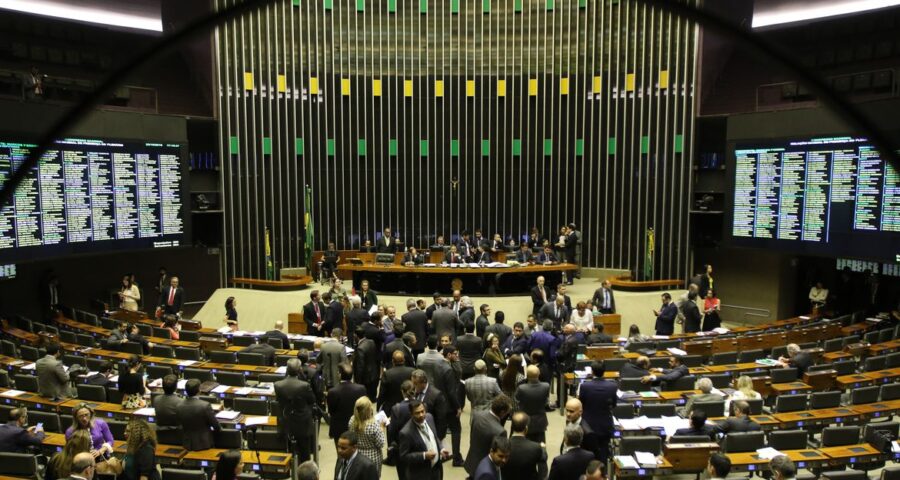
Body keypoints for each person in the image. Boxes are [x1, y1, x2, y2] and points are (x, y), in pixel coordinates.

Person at [274, 358, 317, 461]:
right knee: (304, 452)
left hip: (286, 420)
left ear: (287, 370)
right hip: (302, 422)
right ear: (299, 370)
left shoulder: (277, 385)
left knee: (289, 449)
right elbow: (312, 400)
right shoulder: (304, 385)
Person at [398, 400, 450, 480]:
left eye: (422, 411)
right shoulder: (406, 433)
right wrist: (424, 455)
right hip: (420, 474)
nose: (421, 415)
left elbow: (434, 437)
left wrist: (441, 449)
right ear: (411, 414)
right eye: (417, 413)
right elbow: (404, 456)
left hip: (436, 470)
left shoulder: (429, 418)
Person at [578, 360, 617, 464]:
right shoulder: (612, 386)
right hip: (605, 425)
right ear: (604, 371)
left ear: (592, 371)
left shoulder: (585, 386)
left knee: (587, 452)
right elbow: (613, 405)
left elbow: (581, 404)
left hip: (588, 426)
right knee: (603, 452)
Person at [465, 395, 512, 476]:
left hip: (472, 461)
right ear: (502, 412)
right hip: (486, 469)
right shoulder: (500, 431)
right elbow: (500, 453)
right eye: (507, 412)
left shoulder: (477, 415)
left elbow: (472, 437)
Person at [176, 378, 222, 450]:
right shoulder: (205, 405)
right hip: (204, 443)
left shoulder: (179, 405)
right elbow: (216, 426)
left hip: (187, 443)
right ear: (199, 390)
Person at [327, 364, 367, 445]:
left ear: (340, 374)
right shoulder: (361, 388)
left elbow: (331, 411)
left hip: (339, 427)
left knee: (341, 452)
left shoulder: (332, 392)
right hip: (357, 425)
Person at [503, 412, 547, 480]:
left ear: (512, 427)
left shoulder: (502, 446)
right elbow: (543, 471)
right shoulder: (535, 447)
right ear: (526, 428)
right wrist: (543, 450)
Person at [516, 365, 550, 443]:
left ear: (527, 375)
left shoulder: (522, 388)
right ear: (539, 374)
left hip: (525, 420)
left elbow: (517, 399)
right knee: (541, 443)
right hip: (541, 420)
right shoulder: (546, 386)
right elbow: (546, 401)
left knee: (526, 444)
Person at [379, 350, 415, 415]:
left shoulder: (387, 374)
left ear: (392, 361)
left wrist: (378, 407)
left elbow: (382, 393)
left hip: (391, 408)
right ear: (404, 360)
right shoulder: (411, 371)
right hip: (409, 407)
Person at [353, 327, 381, 399]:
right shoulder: (371, 341)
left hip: (365, 377)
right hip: (374, 373)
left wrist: (357, 382)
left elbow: (360, 367)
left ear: (356, 336)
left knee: (365, 397)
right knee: (372, 396)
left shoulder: (360, 348)